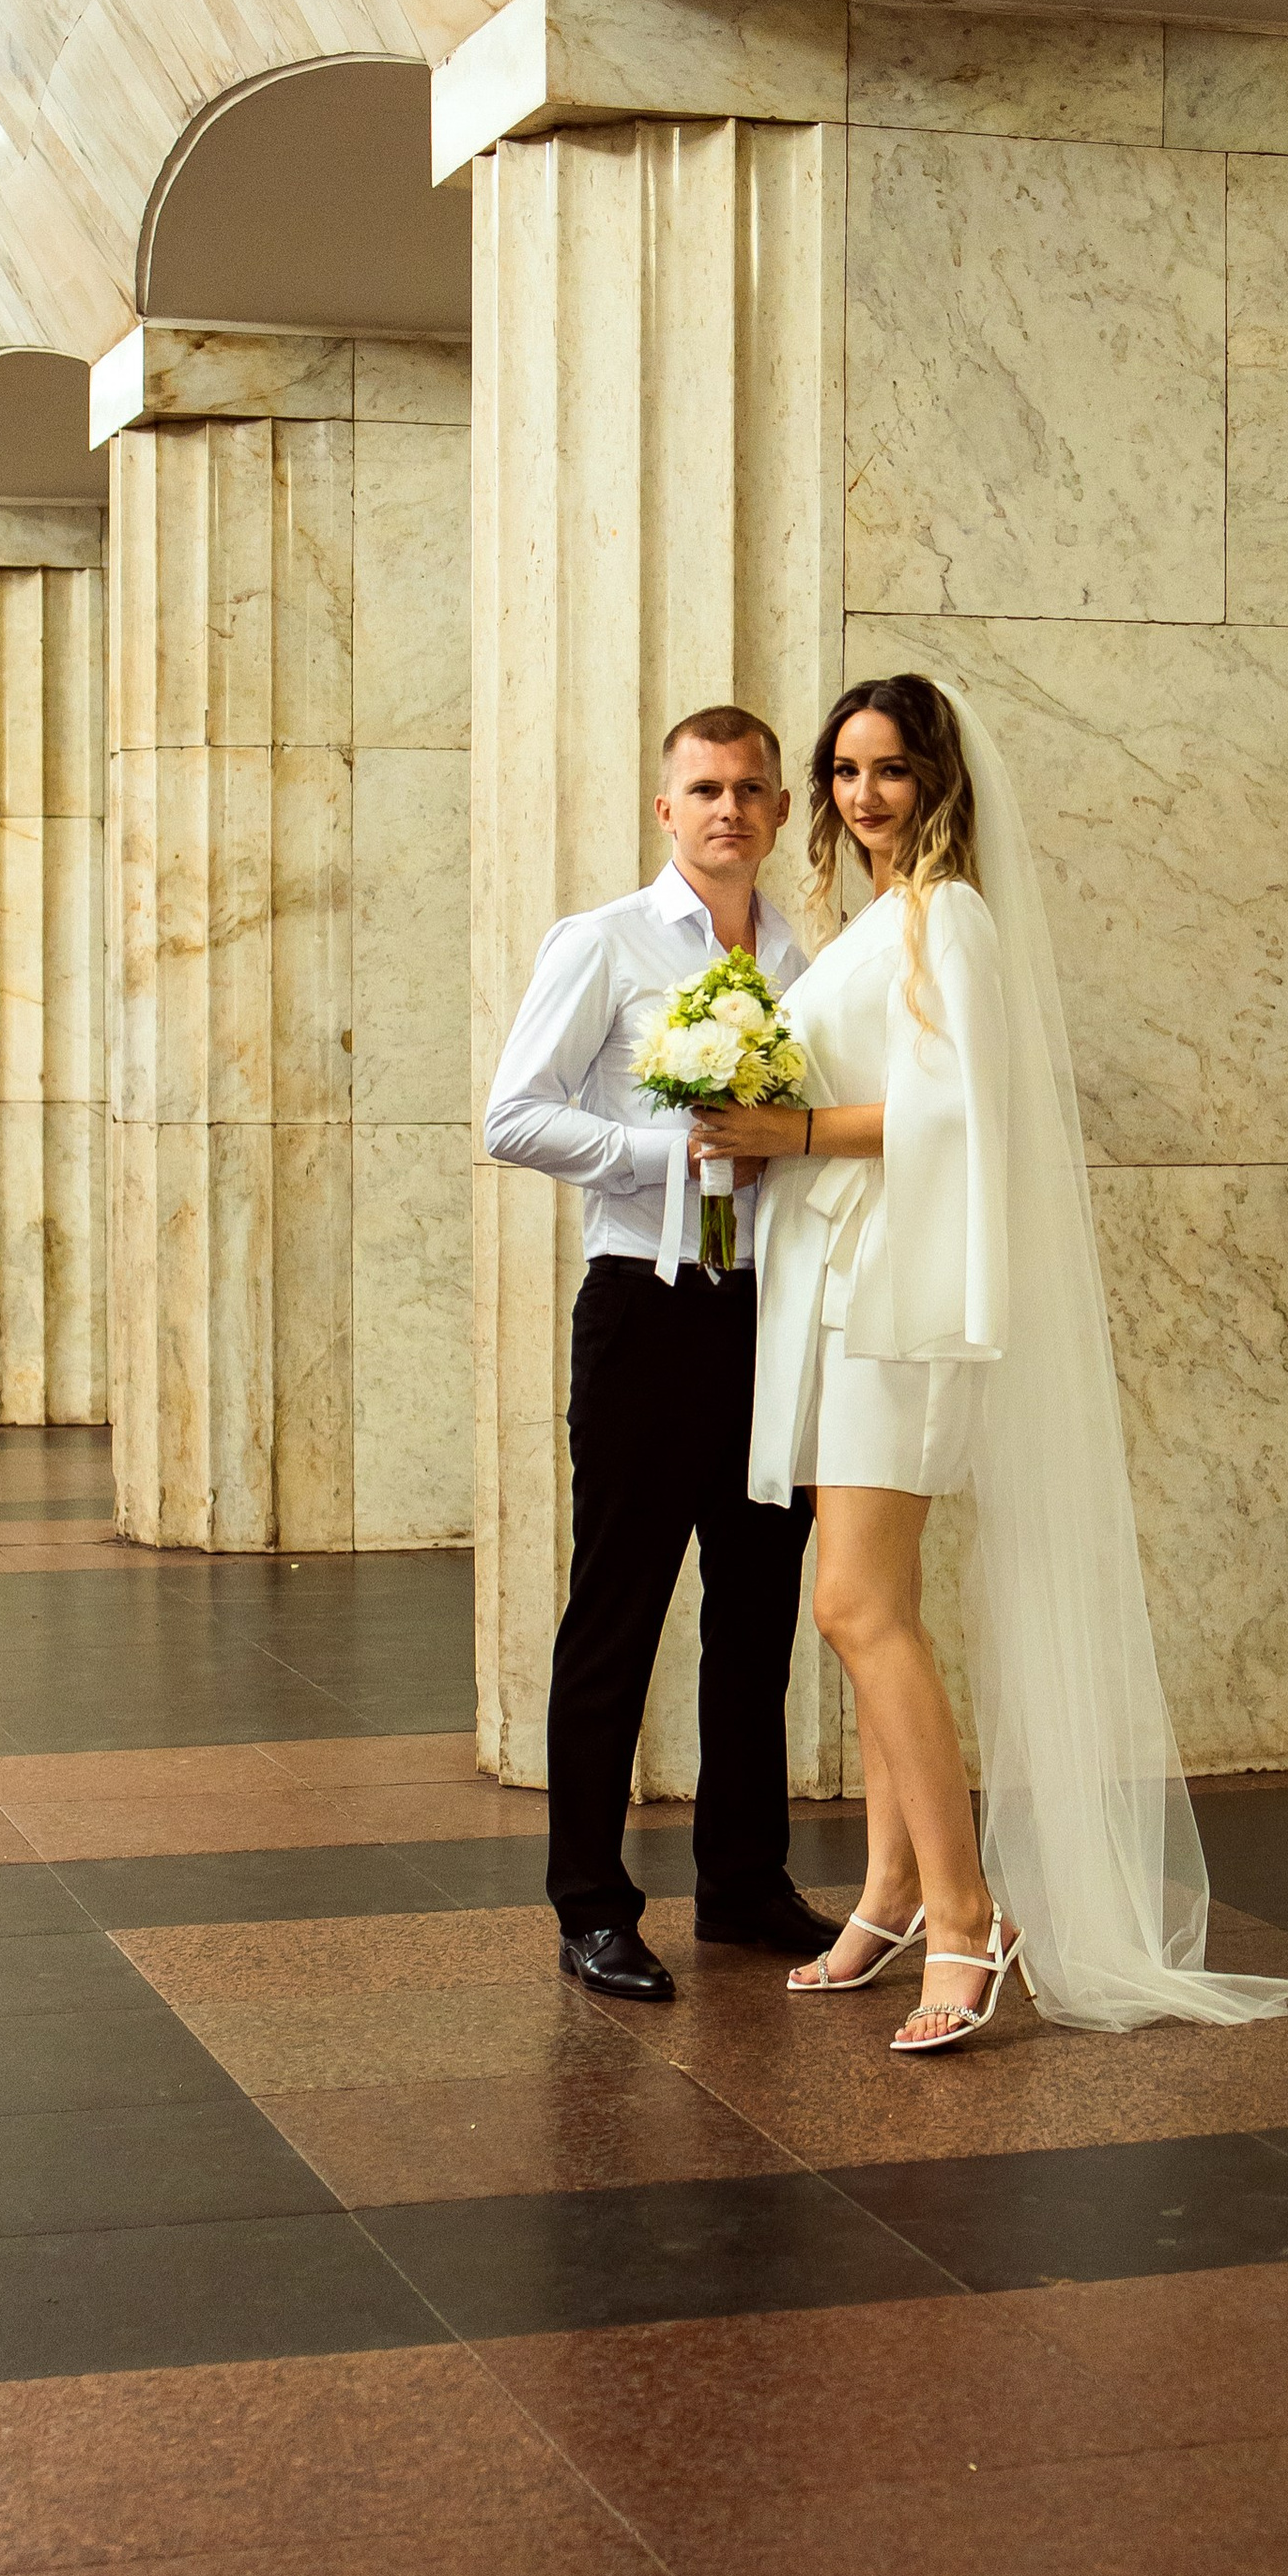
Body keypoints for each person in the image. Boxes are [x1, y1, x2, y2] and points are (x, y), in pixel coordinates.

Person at [690, 674, 1288, 2052]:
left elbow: (961, 1111)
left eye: (890, 769)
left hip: (899, 1297)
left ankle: (968, 1915)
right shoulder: (870, 920)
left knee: (854, 1605)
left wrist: (789, 1135)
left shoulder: (949, 914)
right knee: (877, 1601)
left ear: (937, 780)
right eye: (845, 770)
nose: (863, 794)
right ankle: (893, 1888)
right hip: (838, 1290)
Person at [483, 705, 840, 2002]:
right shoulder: (605, 942)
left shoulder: (803, 958)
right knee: (618, 1605)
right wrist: (669, 1150)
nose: (727, 809)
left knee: (758, 1605)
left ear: (780, 810)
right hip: (646, 1304)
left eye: (750, 789)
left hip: (769, 1310)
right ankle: (590, 1904)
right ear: (666, 808)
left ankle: (743, 1881)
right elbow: (512, 1115)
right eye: (704, 789)